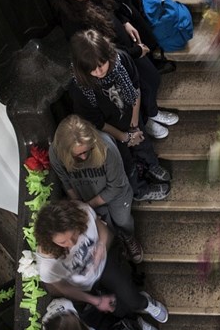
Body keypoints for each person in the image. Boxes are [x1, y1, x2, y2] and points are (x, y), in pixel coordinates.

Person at [58, 0, 179, 139]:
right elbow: (98, 50)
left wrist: (124, 22)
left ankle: (151, 112)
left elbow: (111, 8)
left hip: (127, 48)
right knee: (138, 88)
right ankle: (147, 119)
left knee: (151, 79)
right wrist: (135, 51)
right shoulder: (72, 20)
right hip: (113, 59)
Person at [34, 200, 168, 330]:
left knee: (130, 296)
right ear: (49, 240)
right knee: (116, 310)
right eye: (63, 242)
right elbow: (62, 288)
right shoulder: (47, 264)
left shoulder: (83, 212)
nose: (72, 243)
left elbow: (103, 231)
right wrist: (96, 301)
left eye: (74, 234)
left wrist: (101, 247)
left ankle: (144, 303)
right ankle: (135, 322)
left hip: (103, 264)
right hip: (83, 286)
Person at [69, 29, 172, 201]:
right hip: (108, 129)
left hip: (130, 113)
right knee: (125, 162)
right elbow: (96, 122)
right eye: (92, 69)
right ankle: (139, 191)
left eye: (102, 64)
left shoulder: (120, 59)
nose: (99, 71)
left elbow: (135, 88)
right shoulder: (80, 87)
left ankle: (151, 165)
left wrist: (133, 124)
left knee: (143, 142)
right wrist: (124, 136)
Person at [50, 115, 143, 263]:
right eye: (78, 154)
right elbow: (66, 181)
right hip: (87, 193)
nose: (84, 156)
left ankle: (128, 237)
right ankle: (118, 244)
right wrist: (78, 205)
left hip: (116, 193)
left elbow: (115, 186)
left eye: (87, 151)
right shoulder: (55, 154)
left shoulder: (106, 147)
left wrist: (86, 206)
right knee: (106, 224)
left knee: (122, 220)